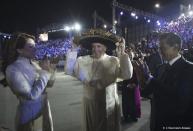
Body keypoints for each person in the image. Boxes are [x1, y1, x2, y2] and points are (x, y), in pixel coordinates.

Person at [65, 29, 133, 131]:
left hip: (109, 104)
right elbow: (69, 70)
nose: (95, 49)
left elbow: (127, 75)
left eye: (98, 46)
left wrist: (122, 54)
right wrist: (73, 50)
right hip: (90, 105)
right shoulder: (83, 60)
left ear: (105, 48)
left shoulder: (113, 61)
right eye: (93, 46)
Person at [135, 32, 193, 131]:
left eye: (163, 48)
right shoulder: (160, 68)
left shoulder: (189, 69)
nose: (160, 51)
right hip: (158, 123)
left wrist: (149, 78)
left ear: (176, 47)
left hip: (177, 124)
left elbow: (178, 98)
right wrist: (140, 77)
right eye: (159, 48)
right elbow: (147, 92)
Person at [3, 33, 55, 131]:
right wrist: (44, 74)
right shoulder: (13, 69)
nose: (35, 49)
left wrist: (49, 70)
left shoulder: (34, 64)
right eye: (30, 46)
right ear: (19, 50)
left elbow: (49, 84)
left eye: (35, 46)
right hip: (29, 116)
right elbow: (31, 95)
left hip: (44, 110)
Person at [119, 47, 141, 123]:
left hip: (135, 86)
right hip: (126, 85)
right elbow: (121, 75)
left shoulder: (136, 63)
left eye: (131, 55)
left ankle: (134, 116)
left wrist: (135, 84)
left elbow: (139, 75)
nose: (130, 56)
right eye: (129, 55)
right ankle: (126, 115)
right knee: (126, 102)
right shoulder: (123, 63)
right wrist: (126, 84)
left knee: (134, 102)